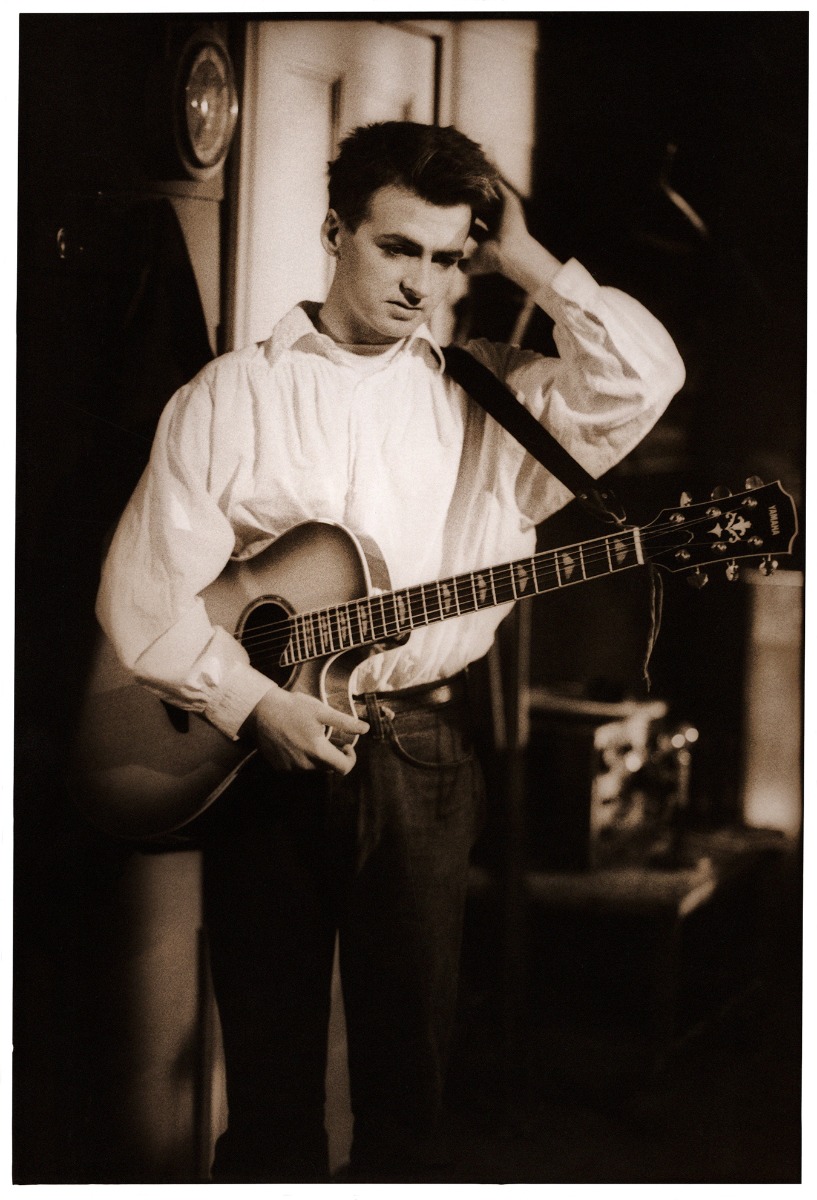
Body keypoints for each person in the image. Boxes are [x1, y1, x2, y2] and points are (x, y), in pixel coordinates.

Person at [95, 121, 685, 1182]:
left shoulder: (492, 401)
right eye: (397, 247)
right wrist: (249, 702)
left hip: (417, 761)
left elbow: (644, 378)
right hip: (255, 764)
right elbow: (140, 593)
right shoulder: (235, 395)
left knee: (407, 1102)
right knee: (268, 1104)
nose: (423, 282)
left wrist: (530, 261)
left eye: (449, 257)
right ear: (334, 231)